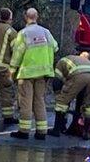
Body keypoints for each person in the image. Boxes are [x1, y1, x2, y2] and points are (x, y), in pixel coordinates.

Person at [9, 8, 58, 140]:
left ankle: (24, 130)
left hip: (27, 73)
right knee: (39, 100)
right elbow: (55, 47)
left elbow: (17, 54)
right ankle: (41, 131)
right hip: (43, 73)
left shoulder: (24, 34)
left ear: (26, 17)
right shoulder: (46, 32)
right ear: (37, 17)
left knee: (26, 101)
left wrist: (12, 71)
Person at [49, 51, 90, 136]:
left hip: (79, 76)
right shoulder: (79, 60)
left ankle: (57, 130)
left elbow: (57, 81)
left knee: (62, 103)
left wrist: (59, 95)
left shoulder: (61, 63)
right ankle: (86, 132)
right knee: (88, 105)